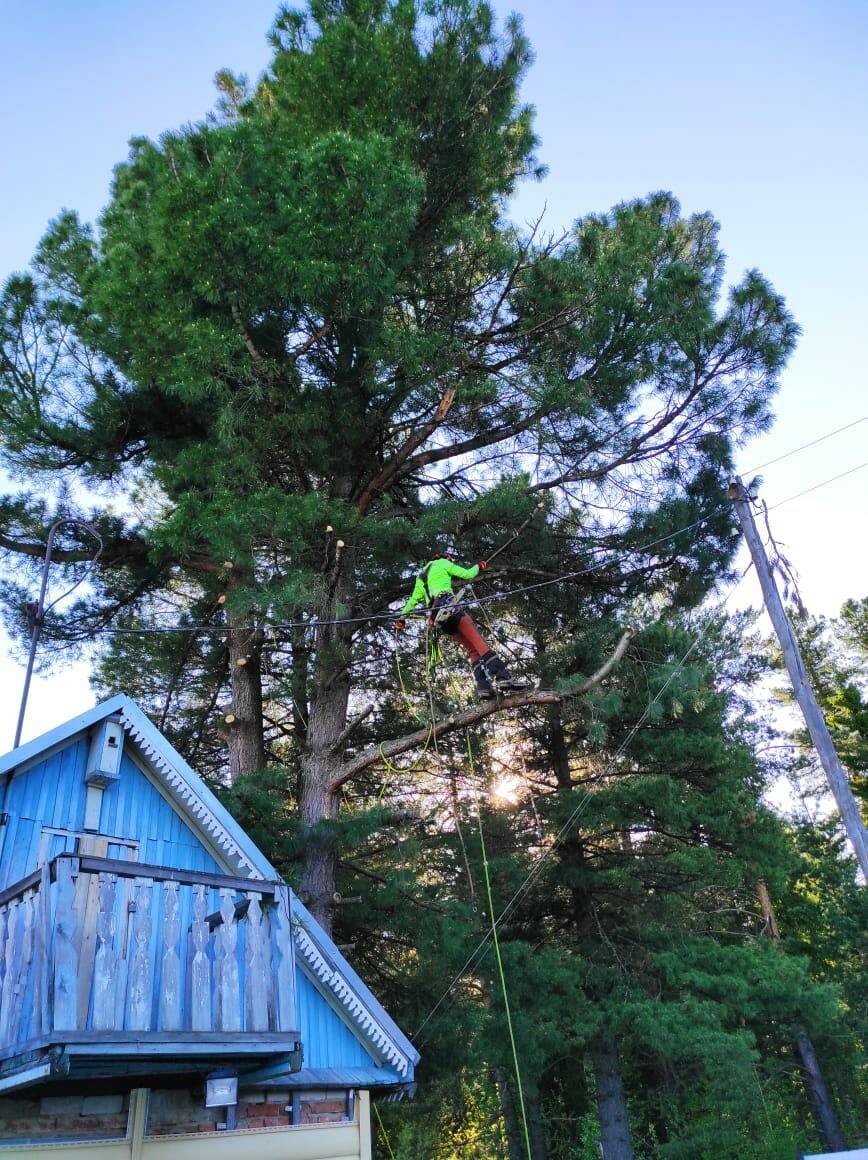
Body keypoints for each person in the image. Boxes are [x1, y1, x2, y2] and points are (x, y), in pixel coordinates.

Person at [395, 546, 532, 700]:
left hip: (437, 618)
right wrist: (479, 566)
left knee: (472, 650)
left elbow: (413, 601)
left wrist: (401, 619)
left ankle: (483, 687)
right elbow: (467, 574)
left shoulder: (420, 577)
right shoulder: (442, 563)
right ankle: (503, 677)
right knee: (479, 643)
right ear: (445, 557)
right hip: (448, 606)